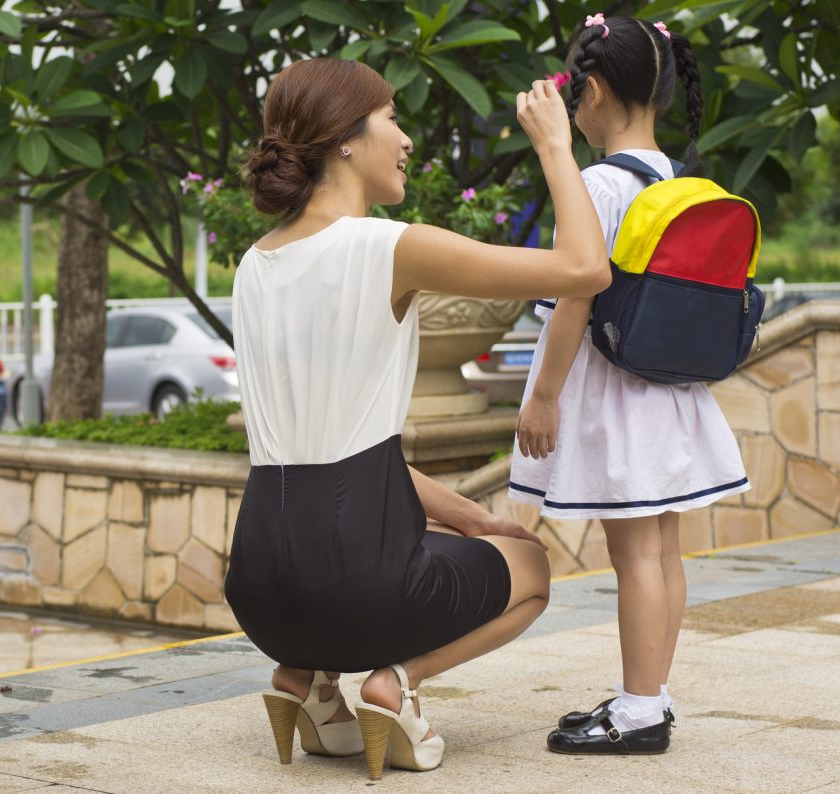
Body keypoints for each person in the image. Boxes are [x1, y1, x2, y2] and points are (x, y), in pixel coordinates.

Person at [224, 57, 609, 781]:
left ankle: (307, 682)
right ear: (344, 138)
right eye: (392, 119)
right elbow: (586, 270)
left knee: (438, 536)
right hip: (355, 579)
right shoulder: (389, 246)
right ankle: (392, 683)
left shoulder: (255, 264)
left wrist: (468, 515)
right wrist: (557, 146)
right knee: (529, 566)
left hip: (259, 590)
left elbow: (335, 445)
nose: (405, 140)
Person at [510, 15, 750, 755]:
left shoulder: (595, 184)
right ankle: (649, 694)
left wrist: (544, 395)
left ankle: (641, 710)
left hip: (616, 396)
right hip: (670, 391)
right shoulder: (678, 178)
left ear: (598, 89)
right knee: (663, 550)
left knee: (635, 556)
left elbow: (572, 298)